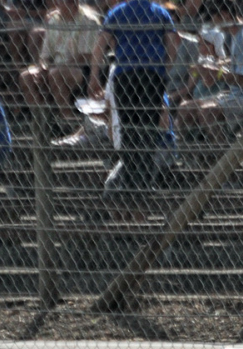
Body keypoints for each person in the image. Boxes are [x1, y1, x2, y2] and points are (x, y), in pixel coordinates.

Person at [88, 0, 178, 205]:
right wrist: (165, 68)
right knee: (147, 128)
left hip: (125, 74)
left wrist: (94, 76)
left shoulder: (117, 12)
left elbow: (100, 44)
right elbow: (173, 44)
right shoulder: (160, 13)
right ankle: (144, 182)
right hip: (151, 73)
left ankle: (130, 180)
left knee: (129, 129)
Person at [174, 1, 243, 142]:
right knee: (185, 108)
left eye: (214, 20)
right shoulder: (236, 36)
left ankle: (223, 158)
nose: (214, 26)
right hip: (234, 95)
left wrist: (217, 74)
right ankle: (190, 156)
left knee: (208, 112)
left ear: (224, 15)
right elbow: (238, 64)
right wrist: (218, 64)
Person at [19, 0, 102, 124]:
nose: (73, 3)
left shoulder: (88, 21)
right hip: (56, 67)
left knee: (56, 74)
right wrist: (43, 68)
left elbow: (86, 56)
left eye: (75, 1)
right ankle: (42, 121)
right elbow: (45, 55)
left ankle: (67, 121)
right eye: (68, 1)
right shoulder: (53, 22)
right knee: (26, 76)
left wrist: (56, 68)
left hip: (83, 69)